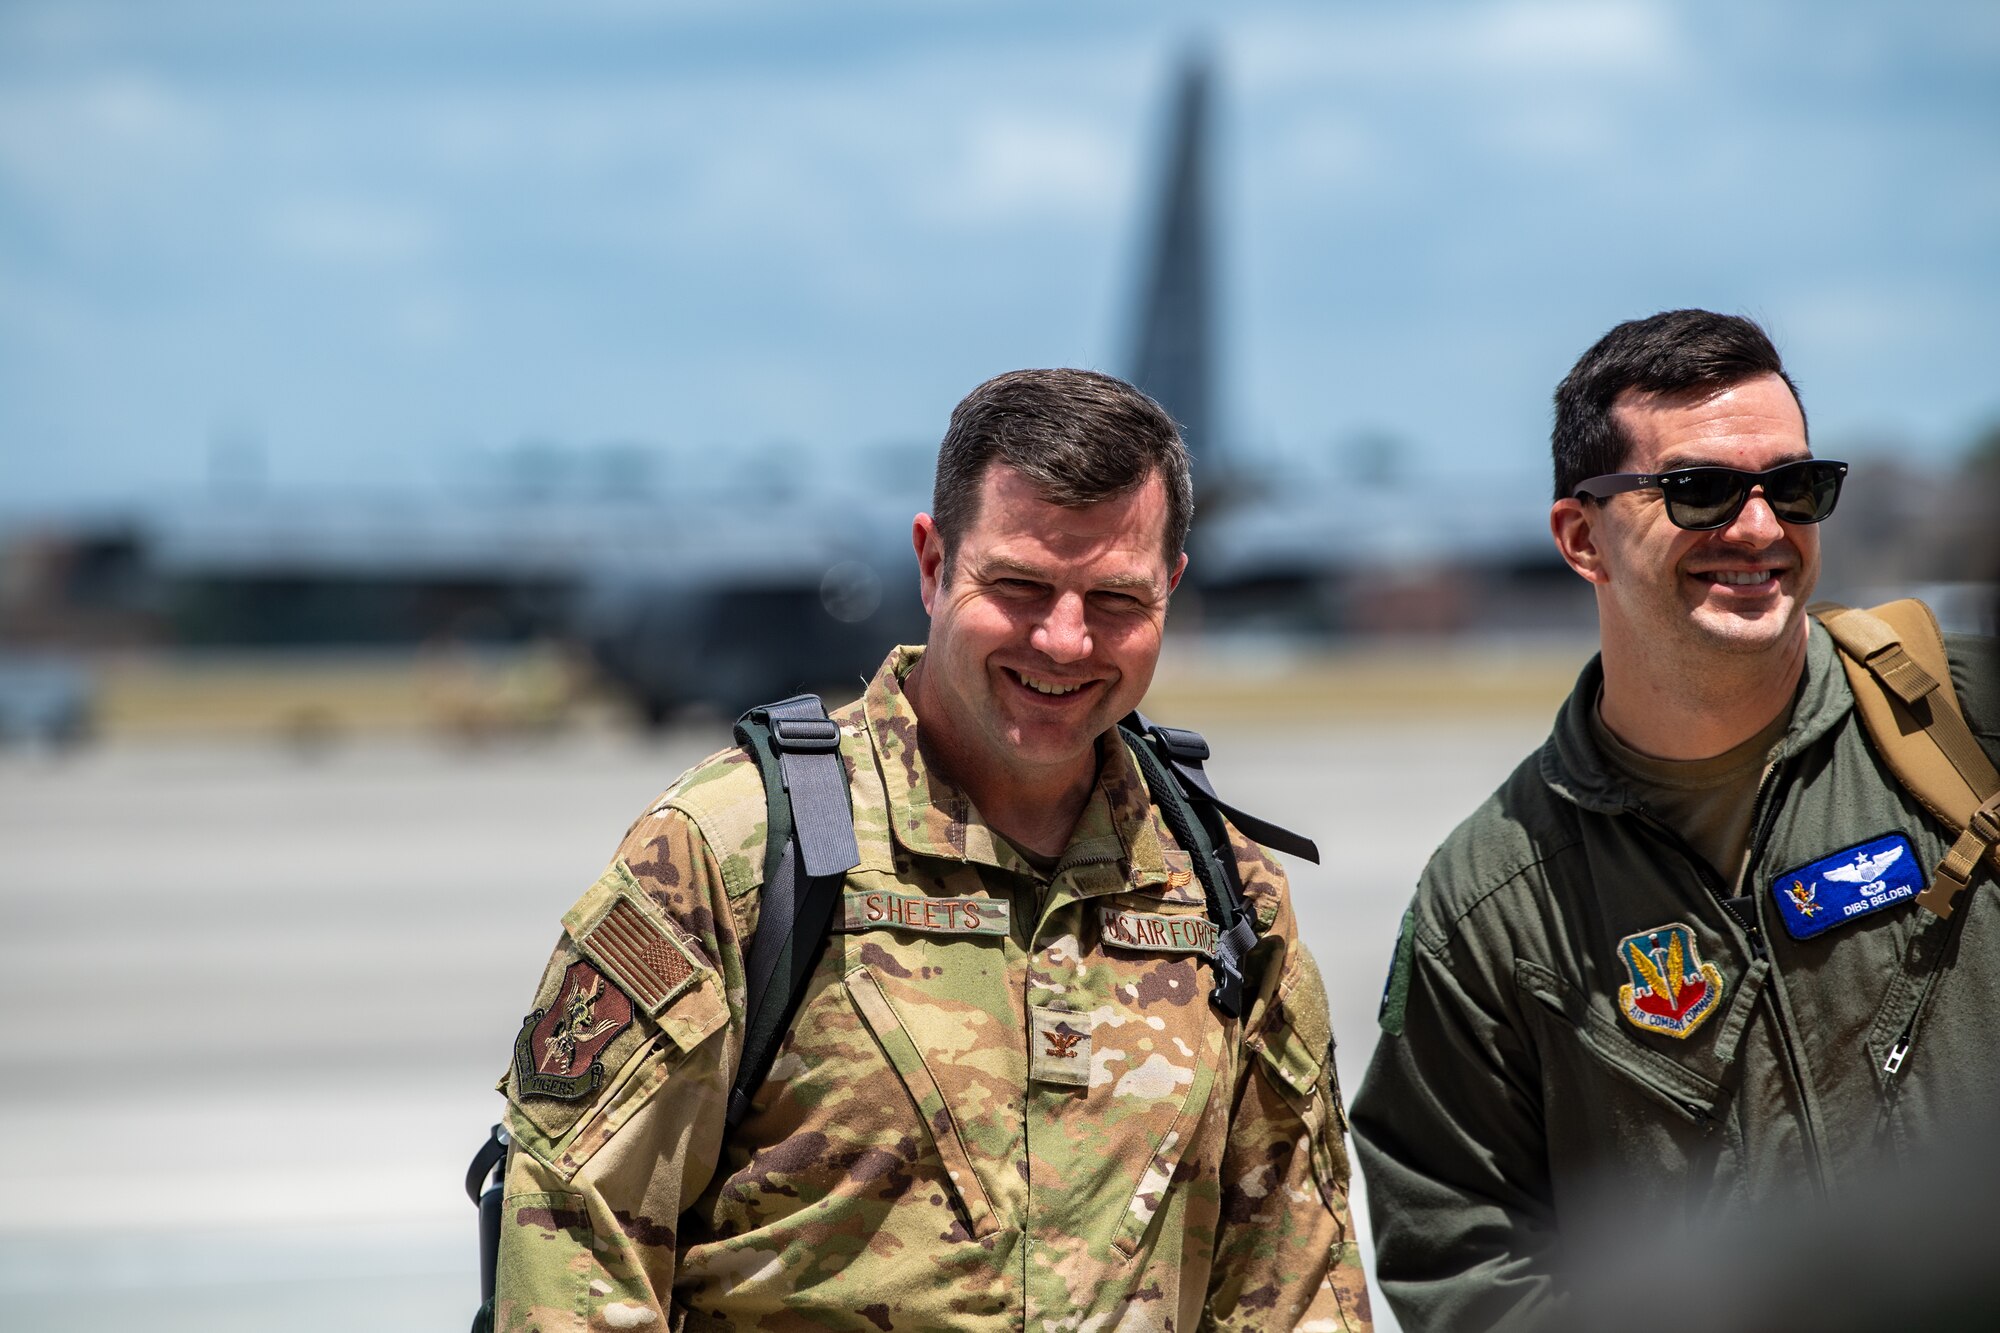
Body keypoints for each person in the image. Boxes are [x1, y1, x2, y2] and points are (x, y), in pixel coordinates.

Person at [490, 368, 1371, 1331]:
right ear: (931, 562)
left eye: (1116, 599)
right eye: (1021, 585)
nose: (1065, 640)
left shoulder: (1222, 889)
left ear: (1172, 588)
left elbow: (1294, 1283)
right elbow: (575, 1244)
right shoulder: (741, 853)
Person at [1350, 310, 2000, 1332]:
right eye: (1698, 490)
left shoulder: (1965, 722)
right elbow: (1460, 1253)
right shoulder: (1489, 903)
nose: (1756, 528)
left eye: (1793, 486)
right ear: (1579, 537)